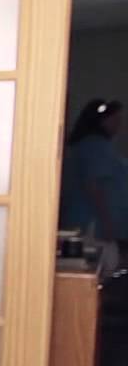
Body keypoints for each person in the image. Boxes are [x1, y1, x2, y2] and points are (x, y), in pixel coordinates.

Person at [58, 99, 127, 253]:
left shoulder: (91, 146)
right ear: (101, 121)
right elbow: (93, 185)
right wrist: (107, 222)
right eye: (115, 119)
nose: (118, 124)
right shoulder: (94, 146)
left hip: (92, 222)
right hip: (93, 225)